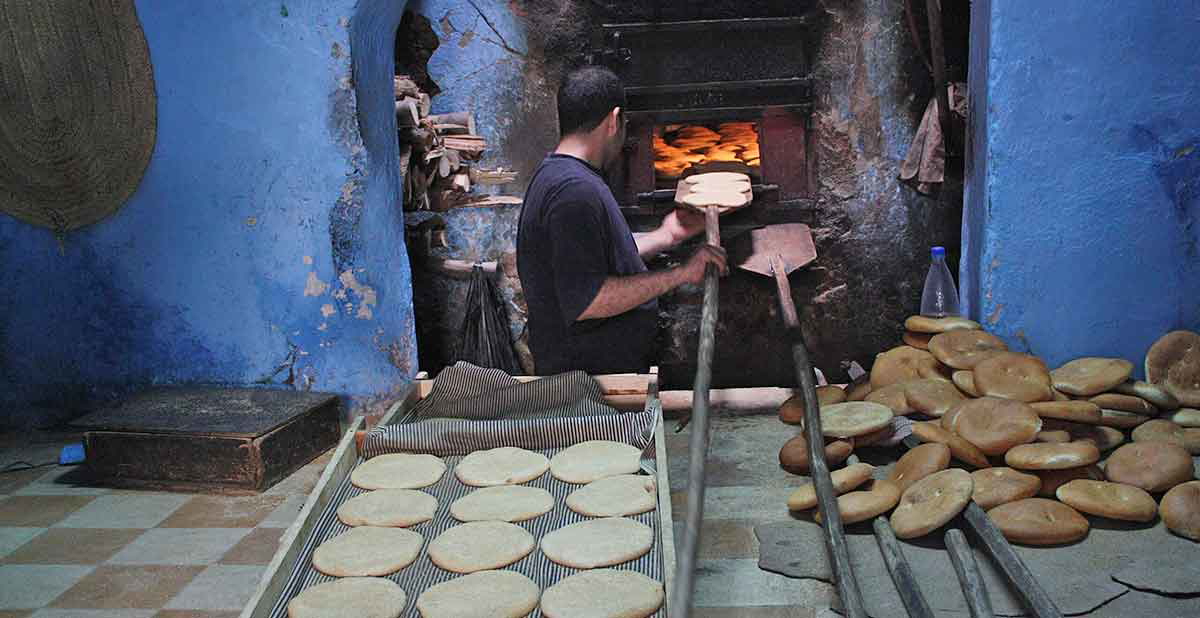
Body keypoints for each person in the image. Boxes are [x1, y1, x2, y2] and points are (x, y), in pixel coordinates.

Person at [517, 66, 728, 376]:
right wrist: (681, 273)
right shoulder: (574, 194)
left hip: (595, 375)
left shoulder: (562, 177)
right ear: (614, 120)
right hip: (587, 388)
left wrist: (666, 235)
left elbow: (593, 257)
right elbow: (588, 301)